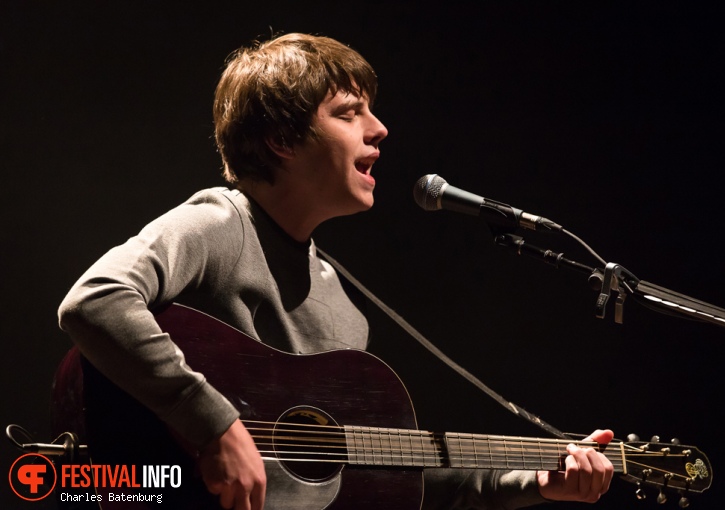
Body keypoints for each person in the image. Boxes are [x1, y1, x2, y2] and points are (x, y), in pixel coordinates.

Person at [58, 33, 613, 510]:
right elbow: (95, 300)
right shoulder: (221, 222)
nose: (380, 129)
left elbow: (387, 481)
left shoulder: (343, 311)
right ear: (281, 139)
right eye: (350, 112)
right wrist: (214, 424)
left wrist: (537, 482)